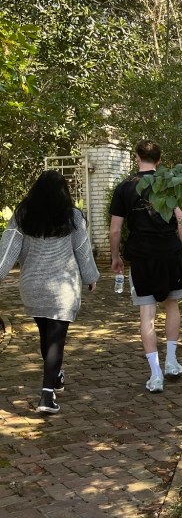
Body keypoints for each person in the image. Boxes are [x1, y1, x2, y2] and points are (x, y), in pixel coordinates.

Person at [0, 170, 99, 414]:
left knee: (47, 336)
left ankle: (55, 377)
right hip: (63, 288)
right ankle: (47, 395)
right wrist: (90, 277)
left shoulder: (23, 214)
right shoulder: (73, 216)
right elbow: (83, 249)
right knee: (56, 339)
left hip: (33, 286)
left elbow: (8, 248)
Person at [109, 140, 182, 393]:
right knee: (172, 304)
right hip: (170, 252)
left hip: (141, 256)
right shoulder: (170, 184)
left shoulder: (125, 187)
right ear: (159, 159)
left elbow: (115, 230)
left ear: (137, 158)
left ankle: (155, 375)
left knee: (147, 313)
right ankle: (172, 362)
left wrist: (115, 257)